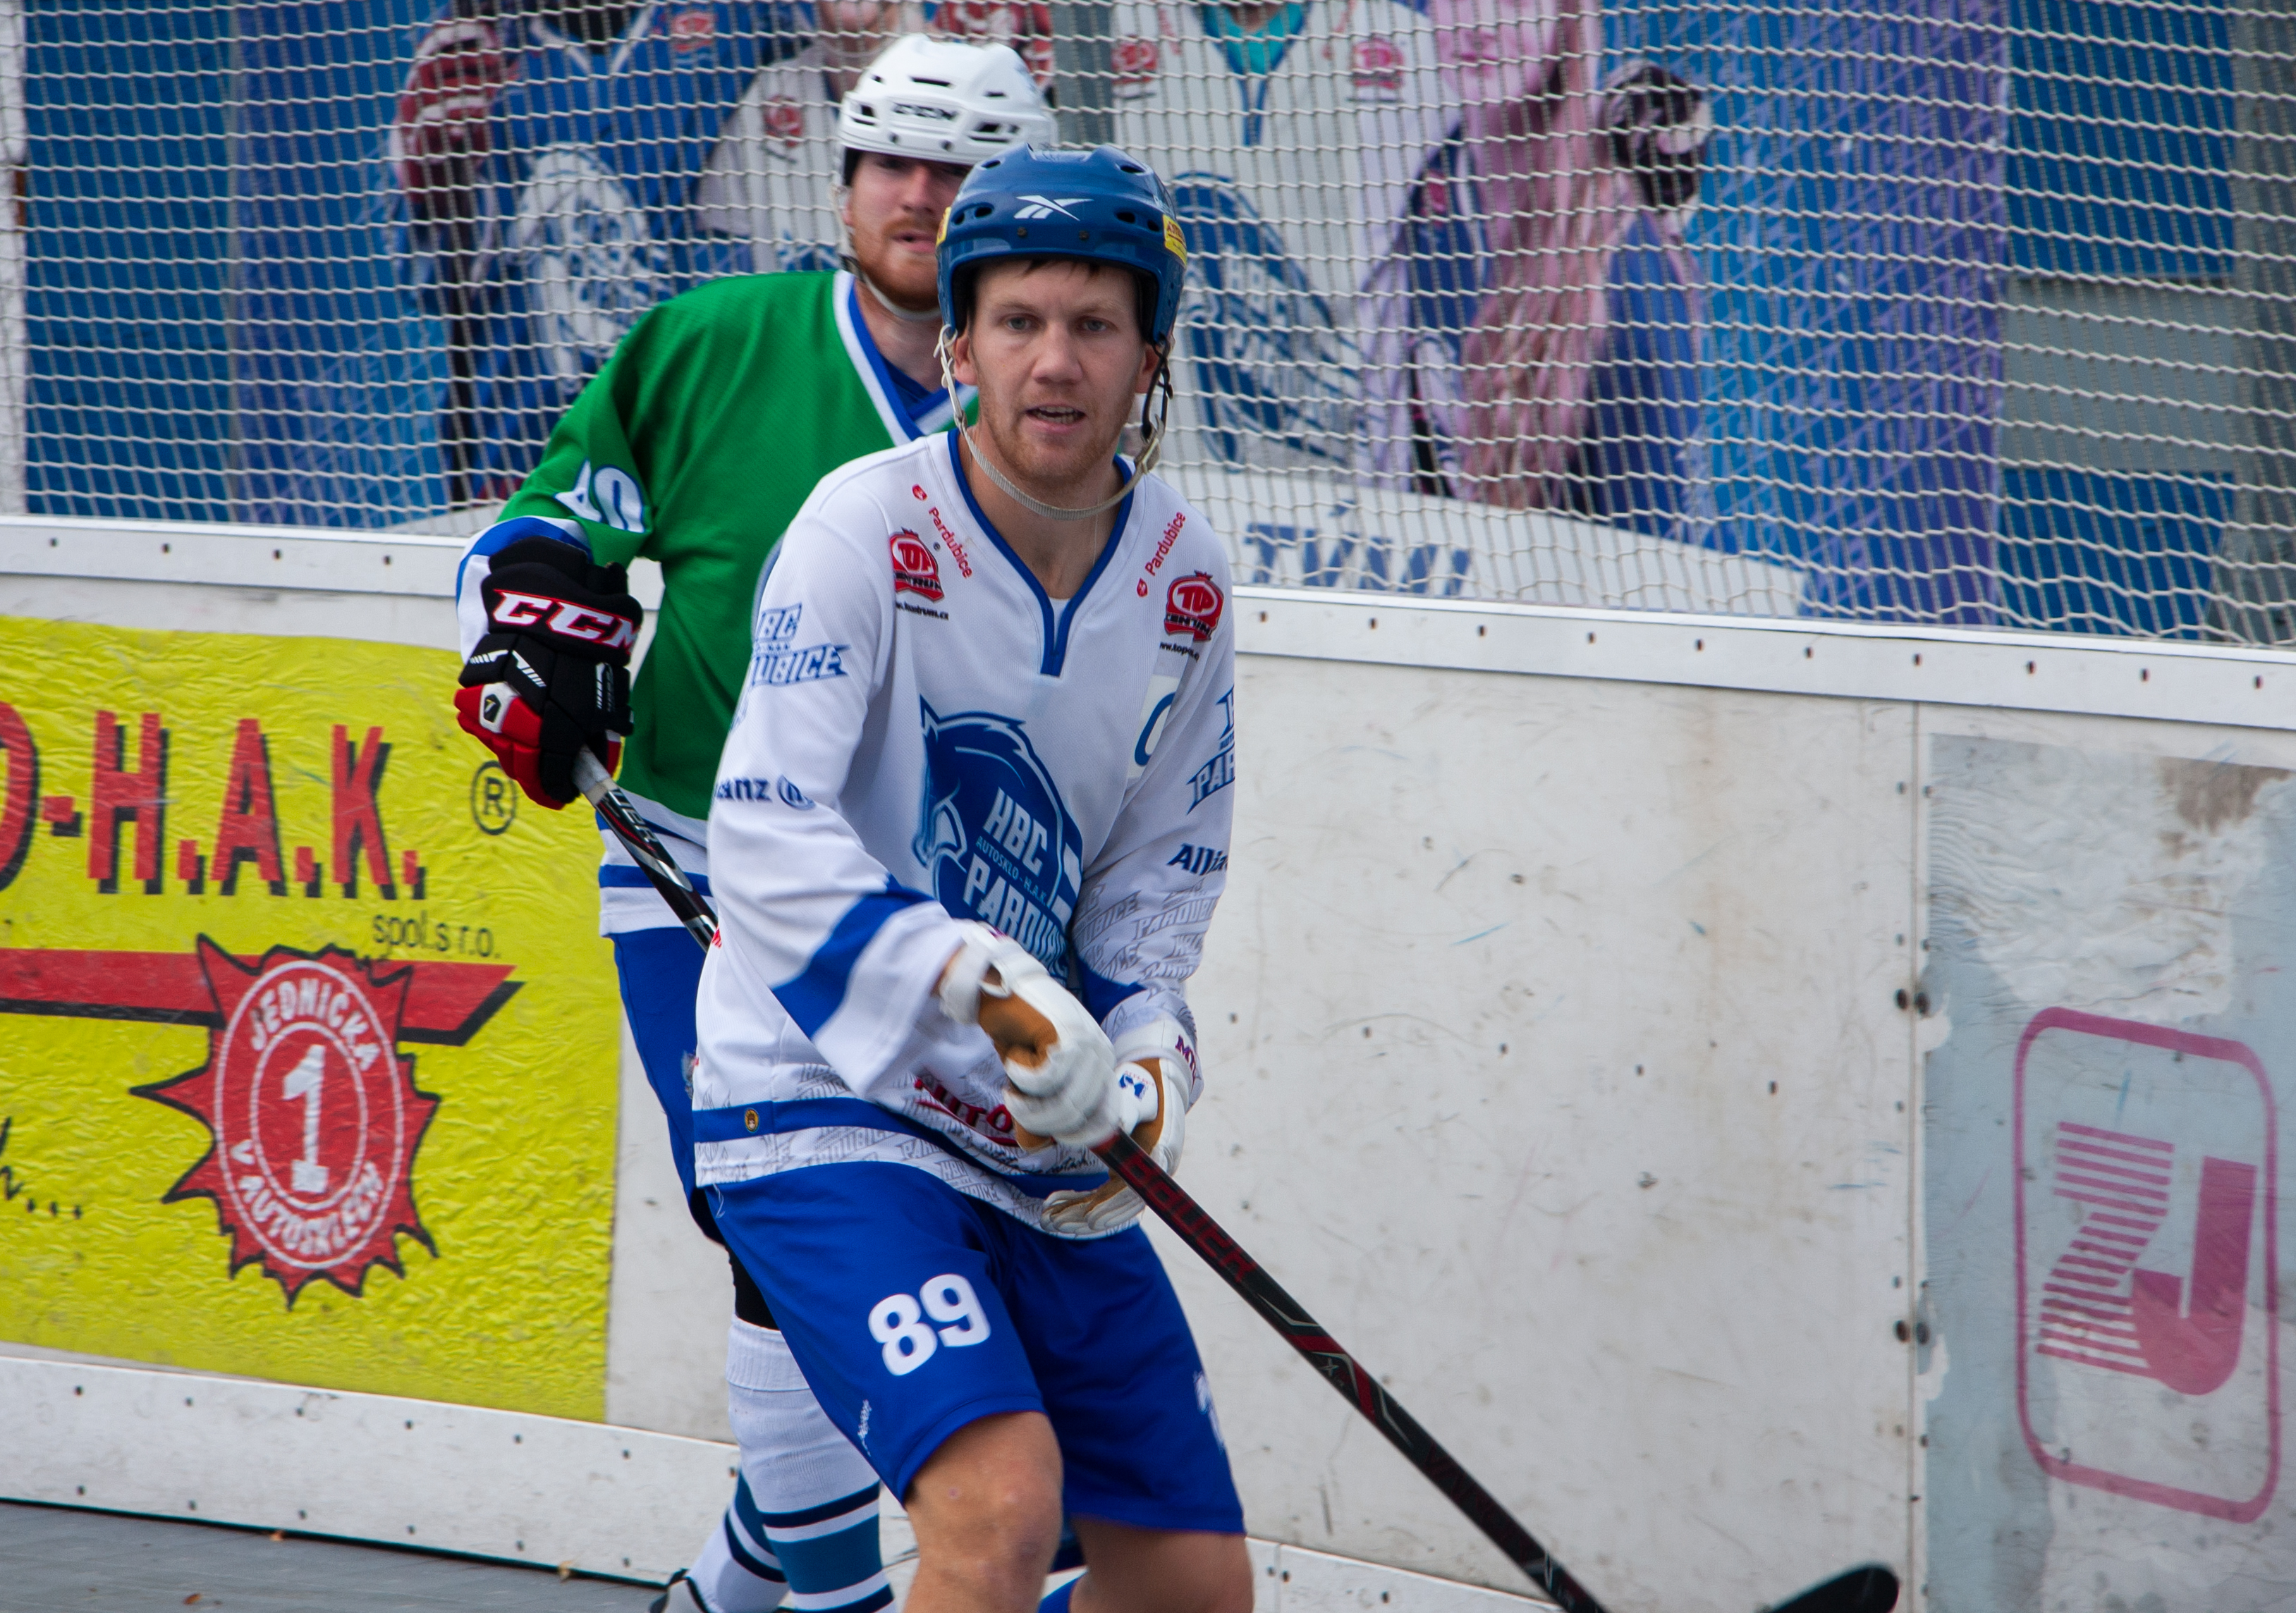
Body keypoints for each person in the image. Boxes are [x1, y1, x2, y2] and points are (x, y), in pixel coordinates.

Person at [446, 35, 1055, 1613]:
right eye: (892, 159)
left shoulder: (1051, 406)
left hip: (922, 899)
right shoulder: (710, 343)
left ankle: (730, 1581)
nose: (920, 195)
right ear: (842, 179)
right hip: (699, 861)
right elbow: (545, 528)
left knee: (941, 1244)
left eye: (960, 169)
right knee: (769, 1221)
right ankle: (830, 1597)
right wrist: (532, 631)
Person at [689, 143, 1250, 1613]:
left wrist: (1147, 1064)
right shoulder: (864, 525)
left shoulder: (1187, 582)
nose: (1054, 362)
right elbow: (763, 830)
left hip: (1032, 1137)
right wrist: (981, 984)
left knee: (1190, 1592)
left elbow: (1150, 891)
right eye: (1017, 321)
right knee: (999, 1512)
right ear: (960, 341)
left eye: (1095, 324)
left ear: (1150, 357)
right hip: (820, 1092)